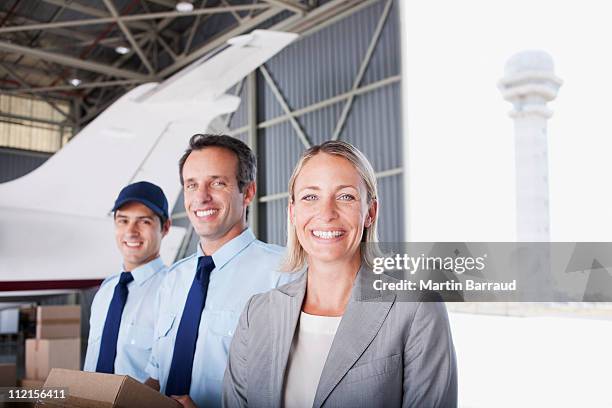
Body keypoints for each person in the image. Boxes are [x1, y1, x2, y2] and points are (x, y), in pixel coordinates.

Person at [223, 141, 458, 407]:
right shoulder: (257, 313)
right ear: (292, 212)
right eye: (310, 197)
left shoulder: (416, 311)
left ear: (370, 212)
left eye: (346, 196)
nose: (326, 213)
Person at [145, 134, 294, 408]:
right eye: (191, 185)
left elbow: (299, 387)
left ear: (247, 192)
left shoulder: (284, 275)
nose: (201, 197)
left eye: (217, 182)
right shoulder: (172, 280)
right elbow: (156, 372)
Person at [84, 181, 171, 382]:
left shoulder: (172, 291)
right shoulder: (106, 291)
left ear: (165, 228)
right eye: (123, 221)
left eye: (144, 221)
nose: (131, 231)